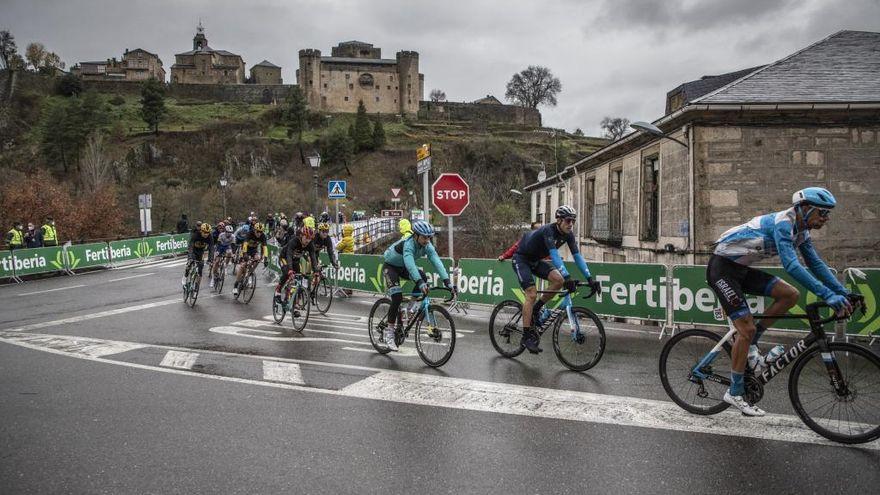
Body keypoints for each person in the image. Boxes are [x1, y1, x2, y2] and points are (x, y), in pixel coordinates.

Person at [708, 187, 854, 416]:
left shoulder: (802, 230)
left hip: (742, 270)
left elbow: (815, 264)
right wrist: (827, 295)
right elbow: (792, 266)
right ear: (805, 209)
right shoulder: (783, 223)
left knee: (790, 295)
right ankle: (734, 392)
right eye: (822, 213)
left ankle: (752, 344)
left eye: (828, 215)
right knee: (745, 329)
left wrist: (842, 291)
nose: (825, 219)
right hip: (722, 270)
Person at [512, 206, 600, 354]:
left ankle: (537, 308)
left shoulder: (568, 235)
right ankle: (526, 336)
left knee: (558, 281)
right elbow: (554, 256)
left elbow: (577, 257)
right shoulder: (548, 230)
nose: (571, 223)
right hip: (522, 259)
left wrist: (590, 278)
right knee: (531, 294)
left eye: (573, 220)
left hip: (536, 261)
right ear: (559, 220)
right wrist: (567, 277)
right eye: (568, 220)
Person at [380, 221, 454, 351]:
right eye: (424, 237)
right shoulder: (408, 245)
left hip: (403, 267)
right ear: (416, 235)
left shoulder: (427, 245)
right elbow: (410, 264)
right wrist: (419, 282)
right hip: (391, 267)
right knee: (397, 297)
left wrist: (447, 281)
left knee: (423, 277)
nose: (427, 240)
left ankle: (409, 309)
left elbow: (436, 261)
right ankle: (390, 335)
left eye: (429, 237)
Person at [275, 225, 318, 308]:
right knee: (287, 273)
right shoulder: (294, 241)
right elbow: (289, 255)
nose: (308, 240)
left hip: (295, 261)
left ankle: (291, 302)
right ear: (301, 235)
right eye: (306, 238)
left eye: (310, 238)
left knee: (298, 280)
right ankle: (278, 291)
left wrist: (315, 270)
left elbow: (313, 257)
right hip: (284, 258)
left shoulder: (310, 244)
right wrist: (290, 270)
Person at [233, 222, 269, 297]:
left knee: (258, 259)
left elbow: (265, 247)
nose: (259, 233)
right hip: (245, 249)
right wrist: (245, 254)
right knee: (243, 266)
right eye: (257, 231)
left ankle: (249, 273)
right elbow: (245, 243)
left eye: (261, 232)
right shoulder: (250, 233)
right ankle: (235, 285)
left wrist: (266, 258)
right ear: (254, 230)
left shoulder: (262, 236)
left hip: (254, 250)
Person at [183, 223, 214, 287]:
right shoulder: (196, 234)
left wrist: (210, 259)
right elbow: (190, 246)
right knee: (190, 263)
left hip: (201, 252)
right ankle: (185, 276)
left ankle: (196, 288)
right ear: (201, 231)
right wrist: (190, 256)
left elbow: (211, 249)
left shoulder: (210, 237)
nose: (206, 234)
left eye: (208, 232)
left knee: (200, 269)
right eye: (204, 232)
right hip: (193, 250)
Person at [209, 224, 236, 289]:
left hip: (227, 246)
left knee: (229, 253)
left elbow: (233, 246)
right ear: (225, 231)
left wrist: (233, 254)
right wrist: (217, 252)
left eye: (230, 232)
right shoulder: (221, 235)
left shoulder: (233, 236)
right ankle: (212, 279)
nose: (229, 234)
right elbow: (218, 244)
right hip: (220, 247)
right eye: (228, 232)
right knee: (217, 261)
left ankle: (225, 266)